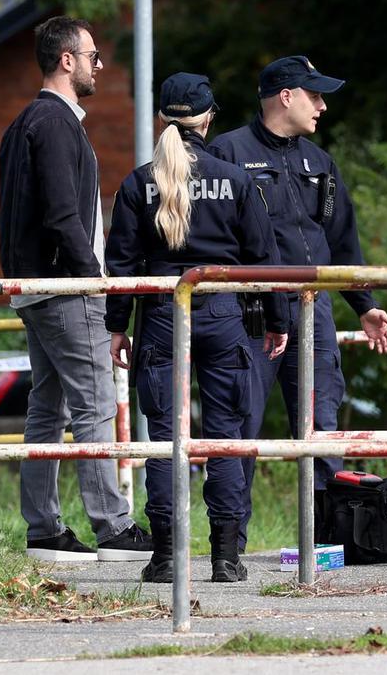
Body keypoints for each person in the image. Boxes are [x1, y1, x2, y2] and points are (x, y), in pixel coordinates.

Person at [105, 72, 290, 582]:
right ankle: (227, 559)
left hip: (162, 314)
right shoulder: (235, 180)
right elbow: (264, 259)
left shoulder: (138, 182)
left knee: (166, 436)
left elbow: (120, 263)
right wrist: (279, 321)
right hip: (225, 314)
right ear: (209, 119)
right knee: (225, 435)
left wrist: (116, 327)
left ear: (161, 119)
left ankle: (165, 558)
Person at [209, 55, 387, 542]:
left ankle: (329, 544)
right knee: (238, 427)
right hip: (250, 313)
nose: (323, 106)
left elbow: (343, 240)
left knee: (321, 429)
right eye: (315, 95)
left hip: (315, 311)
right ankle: (229, 550)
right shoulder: (227, 152)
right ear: (286, 96)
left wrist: (366, 304)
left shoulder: (319, 162)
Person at [0, 15, 151, 562]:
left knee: (47, 408)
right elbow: (65, 214)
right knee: (94, 405)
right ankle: (113, 526)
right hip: (66, 288)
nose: (98, 66)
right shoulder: (57, 123)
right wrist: (95, 282)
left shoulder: (22, 124)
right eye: (91, 56)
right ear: (67, 60)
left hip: (33, 287)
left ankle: (43, 528)